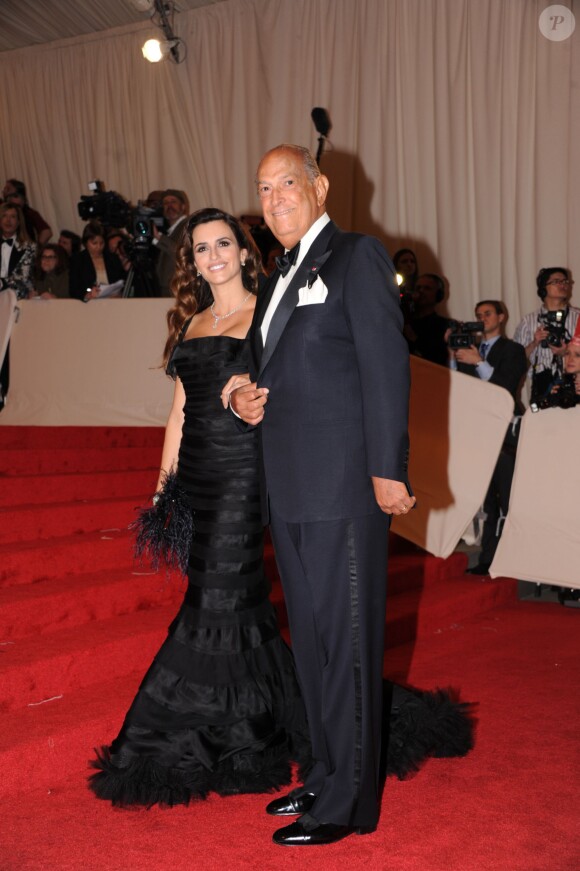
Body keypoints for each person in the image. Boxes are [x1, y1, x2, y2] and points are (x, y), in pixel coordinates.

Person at [89, 208, 311, 806]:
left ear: (244, 252)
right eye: (201, 248)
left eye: (223, 244)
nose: (213, 256)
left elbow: (288, 394)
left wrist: (250, 400)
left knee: (215, 599)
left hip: (244, 474)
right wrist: (164, 491)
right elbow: (179, 414)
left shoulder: (267, 314)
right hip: (198, 480)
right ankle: (254, 722)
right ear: (192, 260)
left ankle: (182, 736)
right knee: (237, 607)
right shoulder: (191, 322)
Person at [226, 144, 415, 846]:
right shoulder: (280, 275)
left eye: (287, 184)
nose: (274, 198)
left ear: (320, 186)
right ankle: (325, 770)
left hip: (342, 487)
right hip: (291, 487)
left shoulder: (355, 256)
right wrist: (246, 393)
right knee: (311, 645)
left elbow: (384, 363)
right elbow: (267, 364)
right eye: (263, 187)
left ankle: (347, 802)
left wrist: (388, 465)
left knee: (349, 644)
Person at [449, 300, 527, 575]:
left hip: (504, 429)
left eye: (487, 314)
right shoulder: (467, 349)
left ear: (502, 317)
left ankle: (511, 557)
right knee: (485, 500)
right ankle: (488, 559)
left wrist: (479, 362)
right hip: (476, 429)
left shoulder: (513, 350)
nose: (482, 319)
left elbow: (505, 388)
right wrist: (453, 353)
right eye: (478, 315)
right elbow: (456, 384)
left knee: (507, 497)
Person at [513, 267, 579, 402]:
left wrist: (565, 353)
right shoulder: (528, 321)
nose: (563, 285)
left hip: (575, 384)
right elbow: (515, 359)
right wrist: (534, 343)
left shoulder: (578, 317)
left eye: (565, 281)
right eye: (556, 281)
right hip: (542, 387)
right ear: (543, 288)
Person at [69, 220, 126, 301]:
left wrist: (119, 292)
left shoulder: (112, 258)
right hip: (90, 305)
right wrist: (89, 292)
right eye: (94, 243)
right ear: (86, 242)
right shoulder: (78, 260)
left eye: (101, 243)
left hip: (113, 302)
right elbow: (75, 288)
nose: (98, 247)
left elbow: (121, 281)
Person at [404, 272, 449, 365]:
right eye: (418, 288)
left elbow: (438, 358)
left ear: (438, 295)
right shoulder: (405, 320)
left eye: (427, 288)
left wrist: (415, 339)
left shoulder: (443, 325)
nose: (421, 291)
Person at [152, 189, 189, 296]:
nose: (169, 205)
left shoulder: (188, 224)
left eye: (173, 202)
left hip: (179, 285)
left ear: (183, 206)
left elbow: (183, 253)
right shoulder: (170, 229)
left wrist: (159, 238)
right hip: (167, 285)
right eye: (165, 203)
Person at [2, 178, 52, 245]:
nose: (4, 191)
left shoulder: (30, 213)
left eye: (8, 189)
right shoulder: (2, 207)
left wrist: (37, 248)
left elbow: (46, 232)